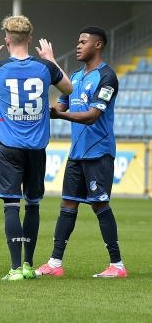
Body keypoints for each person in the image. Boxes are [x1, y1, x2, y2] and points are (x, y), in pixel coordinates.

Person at [0, 15, 72, 281]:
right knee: (33, 205)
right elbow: (69, 87)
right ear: (30, 38)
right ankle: (29, 266)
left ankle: (14, 269)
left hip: (8, 147)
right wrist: (52, 59)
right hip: (36, 148)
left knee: (11, 206)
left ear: (6, 39)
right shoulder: (46, 68)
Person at [35, 27, 128, 278]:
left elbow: (92, 116)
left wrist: (61, 114)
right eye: (78, 41)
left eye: (83, 42)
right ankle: (55, 263)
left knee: (99, 204)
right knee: (67, 203)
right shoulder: (75, 77)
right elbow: (61, 105)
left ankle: (117, 265)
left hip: (99, 152)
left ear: (98, 45)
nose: (78, 45)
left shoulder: (107, 77)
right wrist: (52, 107)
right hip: (77, 153)